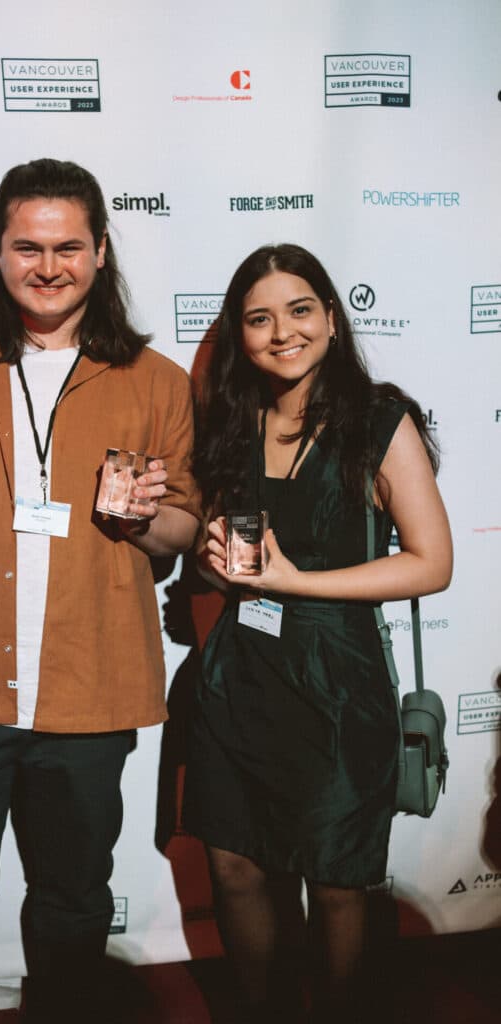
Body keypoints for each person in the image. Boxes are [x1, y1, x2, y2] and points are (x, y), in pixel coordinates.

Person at [0, 158, 199, 1023]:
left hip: (89, 689)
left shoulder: (157, 381)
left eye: (68, 246)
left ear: (101, 253)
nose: (48, 265)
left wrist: (143, 518)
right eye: (28, 246)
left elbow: (181, 533)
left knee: (69, 915)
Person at [183, 243, 452, 1022]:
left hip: (337, 687)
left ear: (331, 320)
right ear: (239, 334)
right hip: (238, 677)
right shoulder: (234, 423)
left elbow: (431, 563)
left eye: (299, 310)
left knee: (336, 881)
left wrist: (294, 581)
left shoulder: (377, 420)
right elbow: (231, 565)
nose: (281, 332)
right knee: (232, 866)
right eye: (258, 318)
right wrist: (211, 564)